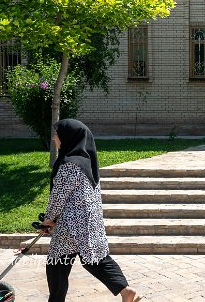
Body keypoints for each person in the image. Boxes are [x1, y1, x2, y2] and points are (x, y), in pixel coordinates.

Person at [43, 119, 141, 302]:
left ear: (68, 137)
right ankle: (126, 291)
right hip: (89, 224)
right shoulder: (87, 162)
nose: (55, 137)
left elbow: (58, 197)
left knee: (56, 263)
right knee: (96, 260)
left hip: (70, 226)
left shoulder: (69, 164)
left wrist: (48, 219)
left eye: (57, 134)